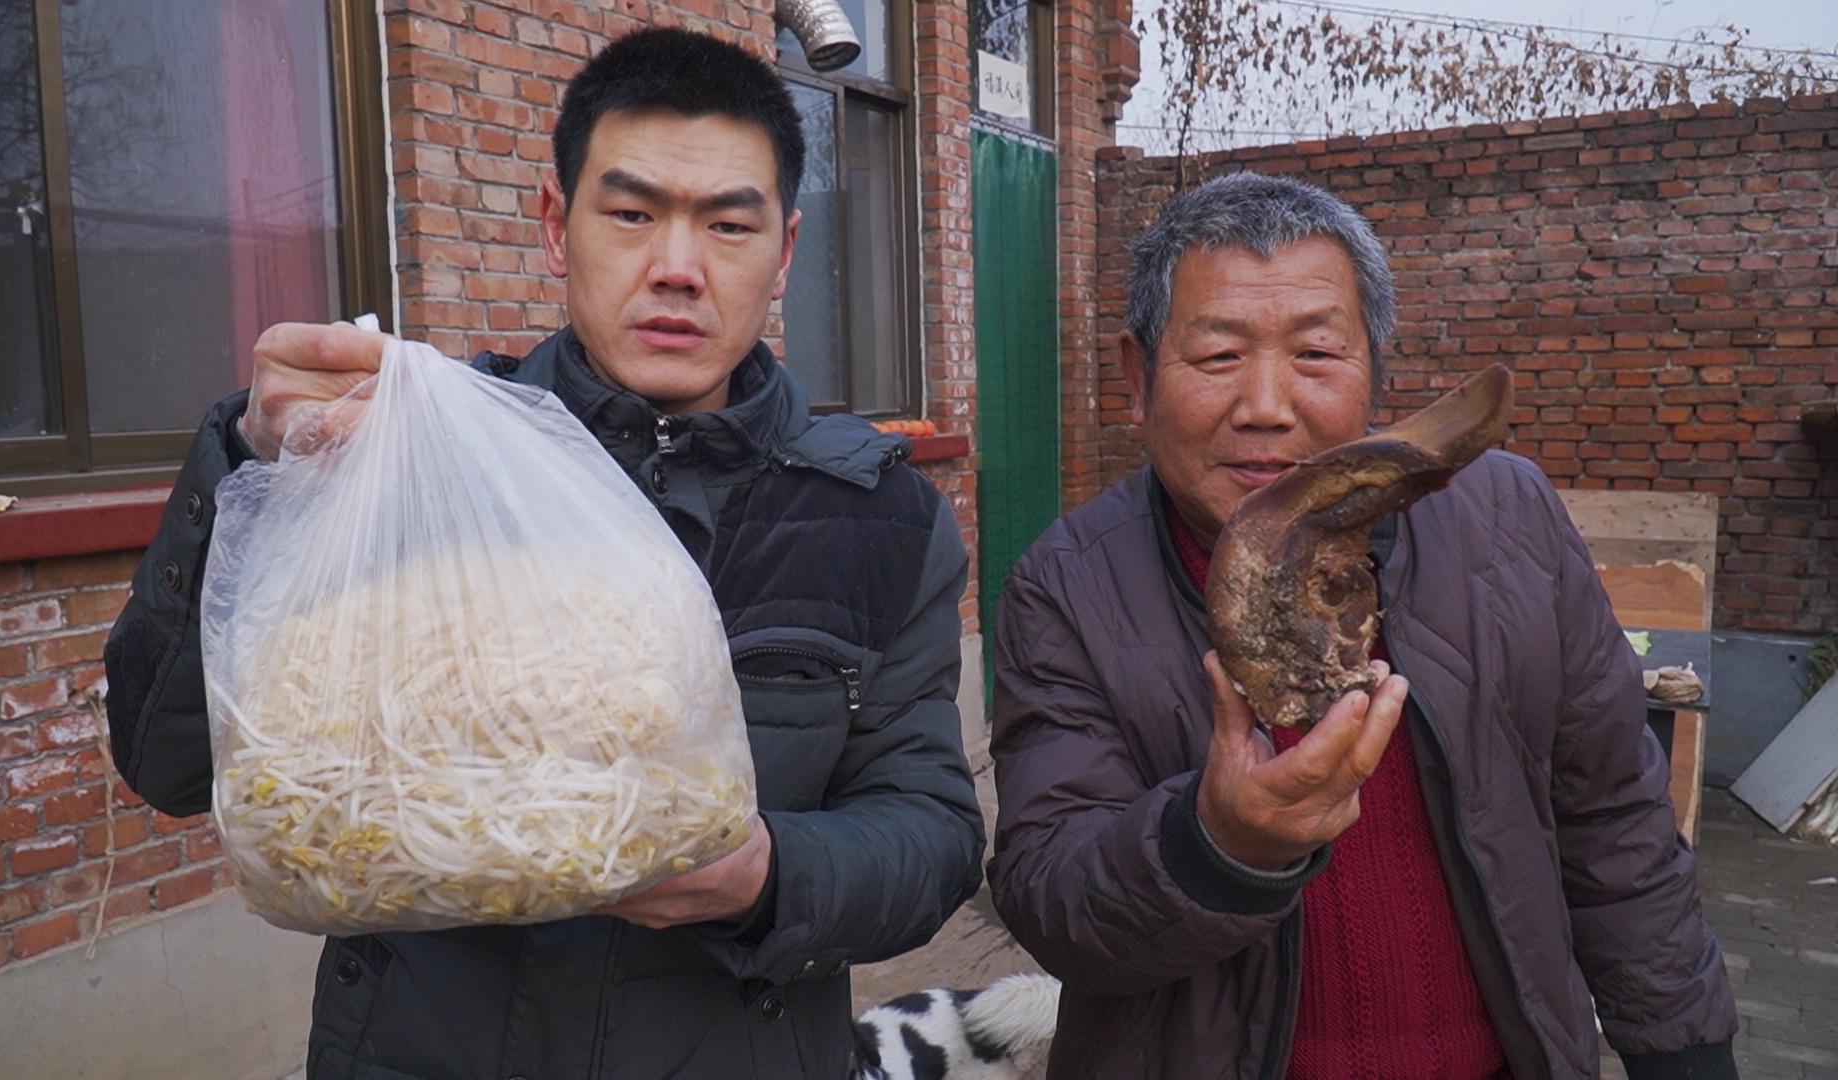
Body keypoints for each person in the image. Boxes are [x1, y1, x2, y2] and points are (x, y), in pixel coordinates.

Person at [105, 29, 983, 1078]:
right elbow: (171, 765)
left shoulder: (874, 519)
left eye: (728, 225)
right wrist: (250, 459)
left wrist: (769, 877)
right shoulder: (408, 462)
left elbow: (929, 834)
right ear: (558, 227)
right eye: (632, 213)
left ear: (785, 251)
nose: (677, 268)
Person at [985, 172, 1739, 1079]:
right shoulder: (1066, 588)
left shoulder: (1509, 520)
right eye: (1218, 356)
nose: (1266, 405)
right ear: (1139, 379)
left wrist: (1687, 1054)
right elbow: (1049, 897)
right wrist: (1219, 843)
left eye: (1316, 355)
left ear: (1377, 369)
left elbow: (1615, 821)